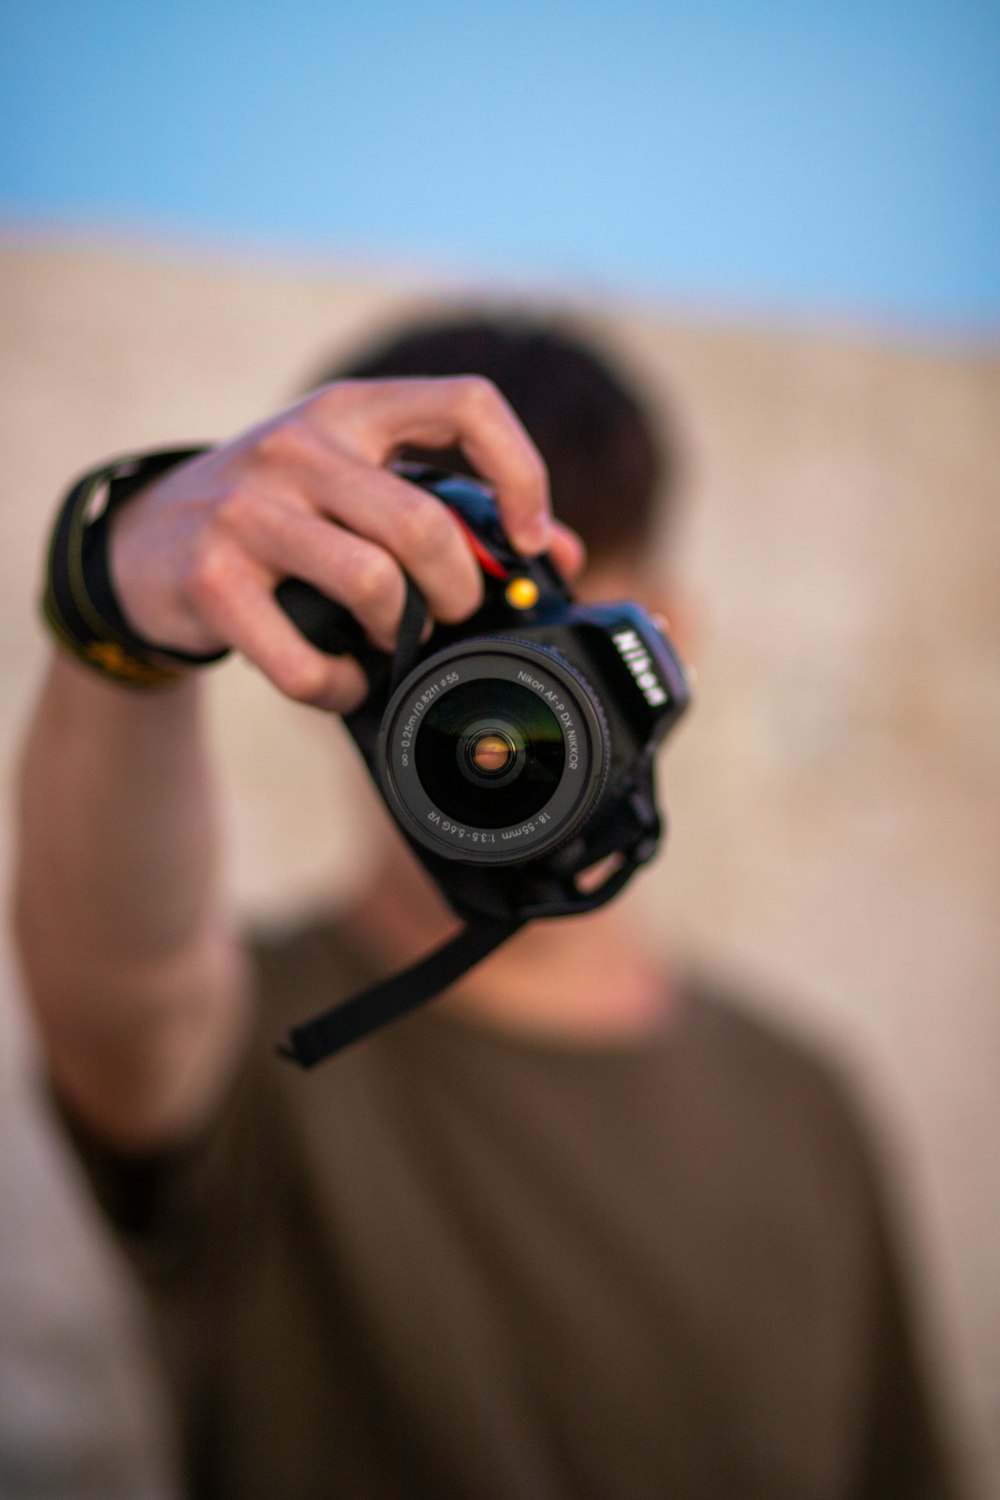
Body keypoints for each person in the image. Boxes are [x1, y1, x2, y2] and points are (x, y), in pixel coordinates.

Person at [14, 316, 958, 1499]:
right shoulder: (252, 1048)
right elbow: (123, 978)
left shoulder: (805, 1105)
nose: (483, 699)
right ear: (305, 628)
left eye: (530, 626)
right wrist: (120, 604)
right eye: (422, 614)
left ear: (662, 644)